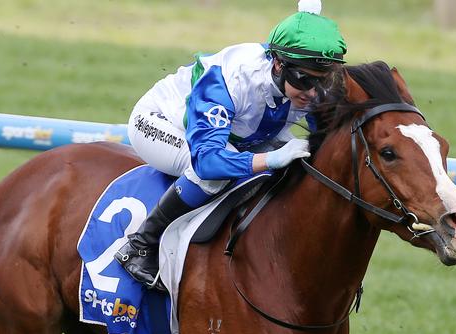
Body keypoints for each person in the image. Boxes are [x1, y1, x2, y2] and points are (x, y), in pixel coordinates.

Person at [115, 6, 348, 290]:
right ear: (277, 65)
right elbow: (208, 161)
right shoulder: (230, 78)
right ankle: (141, 245)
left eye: (323, 80)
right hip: (162, 123)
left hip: (238, 132)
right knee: (215, 176)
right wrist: (270, 159)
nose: (313, 92)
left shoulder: (310, 82)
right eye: (304, 80)